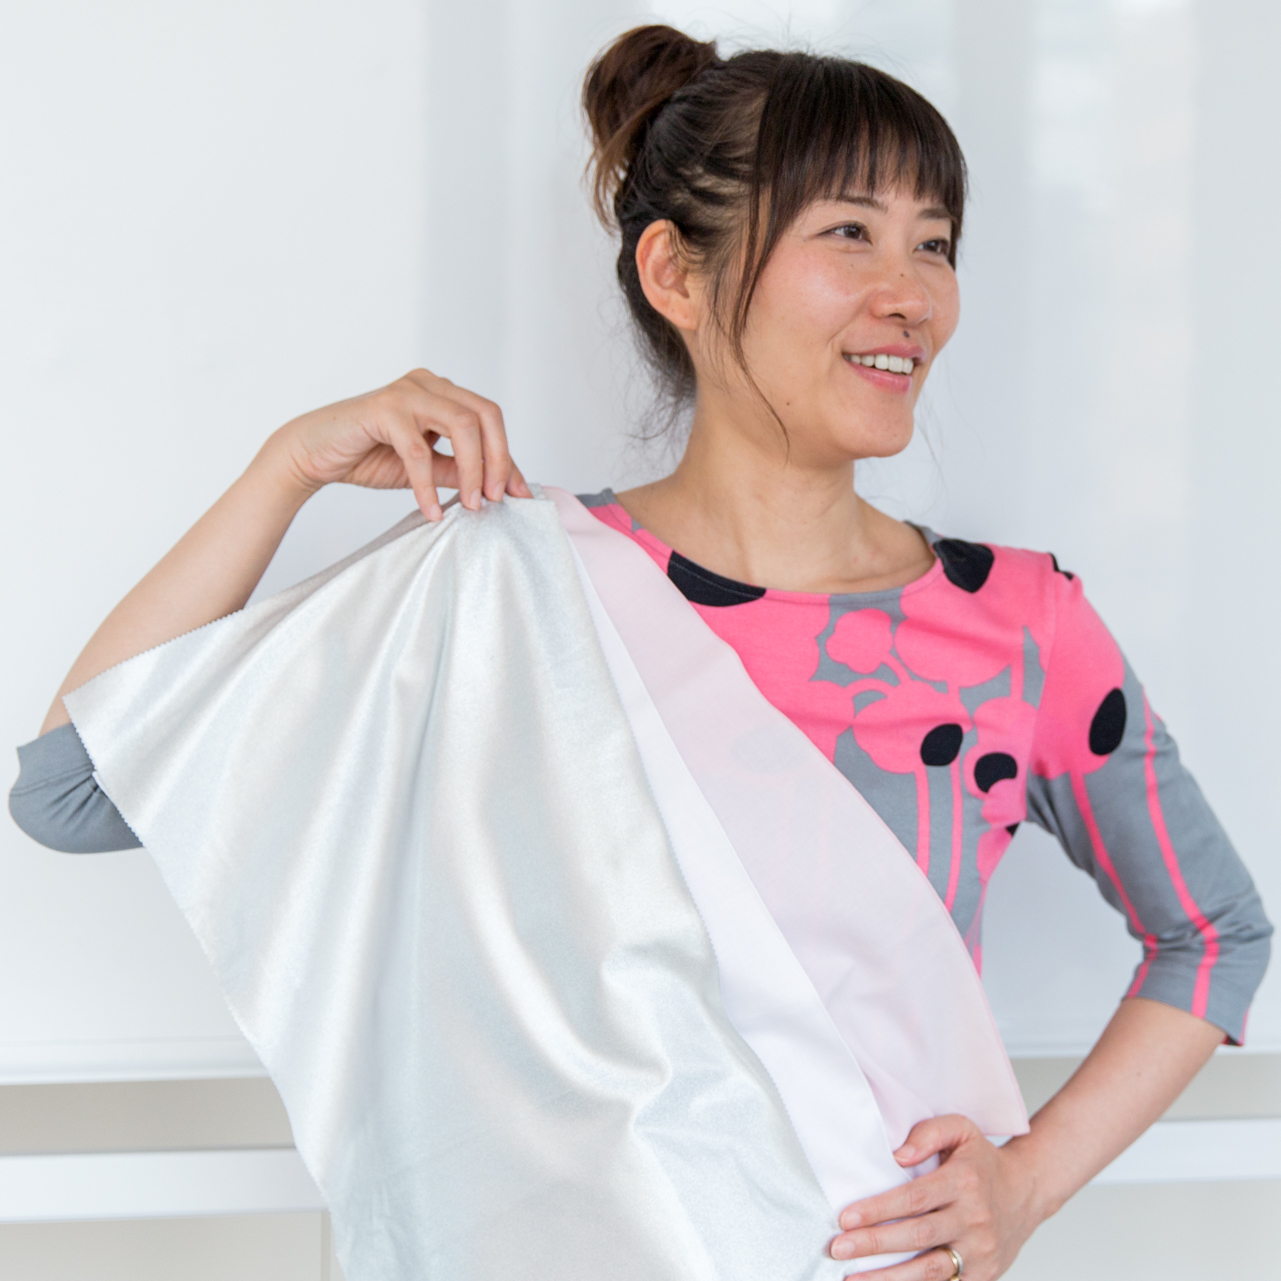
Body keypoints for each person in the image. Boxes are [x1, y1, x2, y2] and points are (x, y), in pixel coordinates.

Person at [9, 24, 1270, 1281]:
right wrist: (286, 467)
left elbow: (1216, 934)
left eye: (934, 243)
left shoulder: (1017, 627)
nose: (913, 295)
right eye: (850, 232)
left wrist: (1027, 1185)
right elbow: (75, 790)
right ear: (674, 272)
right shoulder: (511, 591)